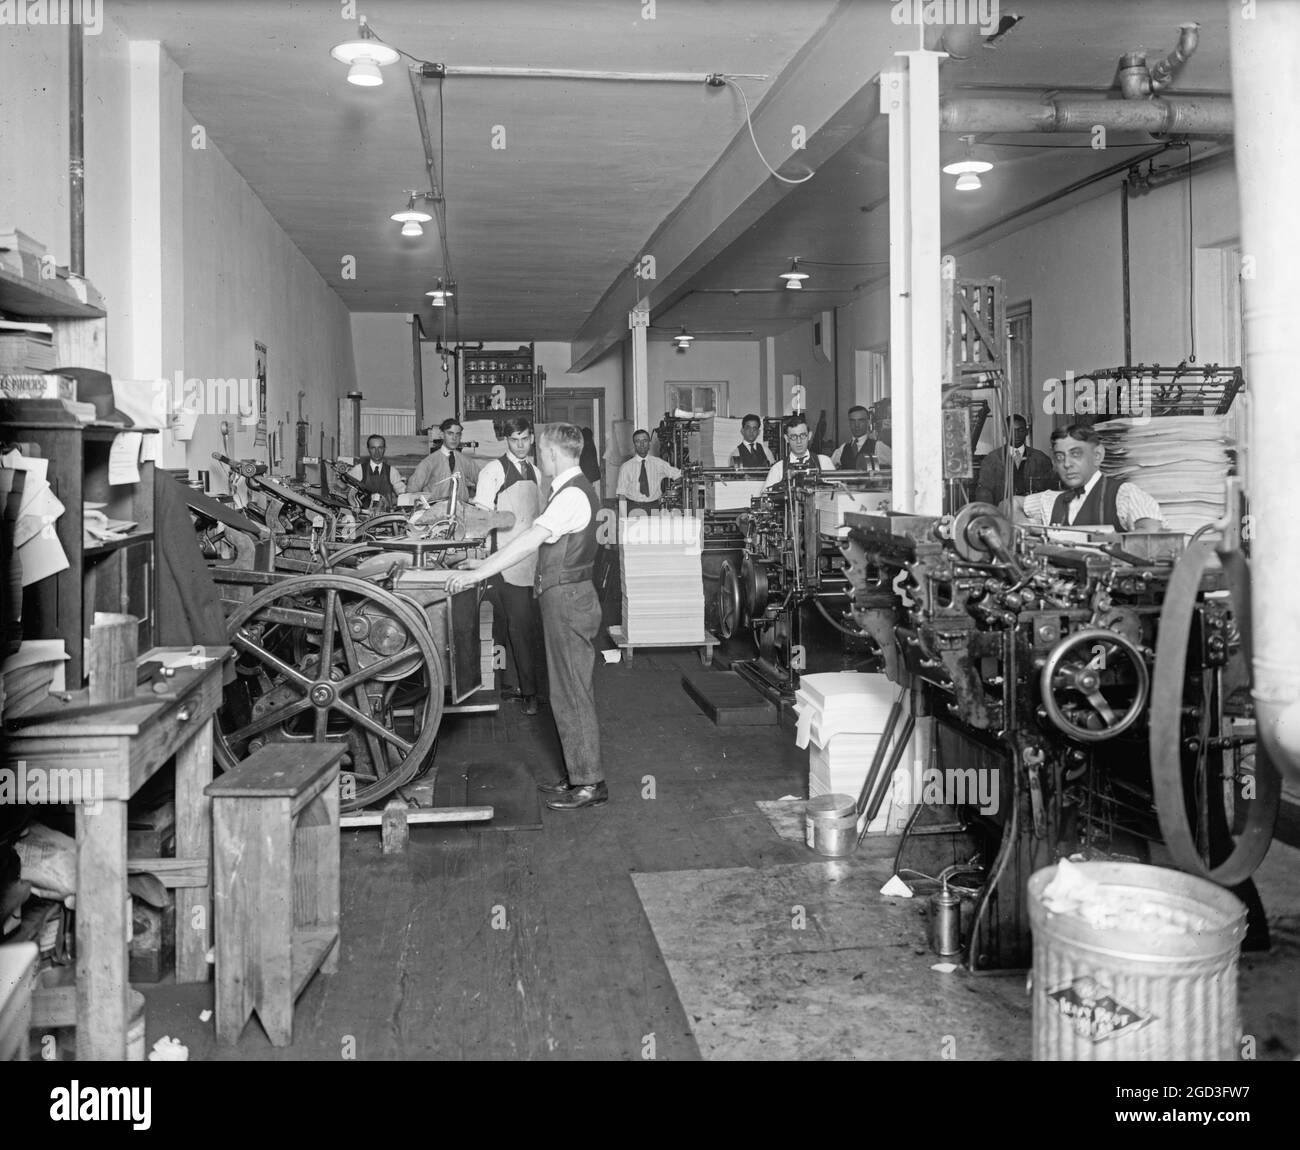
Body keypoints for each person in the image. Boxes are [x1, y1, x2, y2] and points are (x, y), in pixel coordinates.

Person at [446, 423, 606, 810]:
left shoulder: (571, 495)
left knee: (571, 691)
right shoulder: (570, 489)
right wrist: (482, 561)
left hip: (568, 599)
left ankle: (590, 783)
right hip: (563, 596)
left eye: (541, 451)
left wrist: (477, 572)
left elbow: (528, 540)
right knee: (565, 690)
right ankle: (577, 775)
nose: (538, 456)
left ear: (552, 453)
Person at [473, 418, 545, 716]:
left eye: (525, 439)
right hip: (504, 558)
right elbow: (481, 518)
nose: (520, 445)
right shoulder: (493, 471)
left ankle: (514, 684)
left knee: (524, 625)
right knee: (515, 624)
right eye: (514, 439)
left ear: (532, 439)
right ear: (507, 440)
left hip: (532, 558)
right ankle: (527, 692)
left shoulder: (537, 472)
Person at [1015, 423, 1164, 532]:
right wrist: (1026, 529)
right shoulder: (1052, 501)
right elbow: (1009, 504)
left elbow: (1151, 534)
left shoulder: (1124, 494)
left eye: (1076, 454)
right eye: (1060, 457)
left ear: (1097, 456)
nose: (1067, 464)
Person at [974, 414, 1055, 506]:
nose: (1016, 435)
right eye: (1012, 431)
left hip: (1033, 516)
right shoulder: (992, 460)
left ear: (1027, 432)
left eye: (1020, 430)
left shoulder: (1041, 459)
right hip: (1002, 515)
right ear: (1005, 432)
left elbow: (1050, 492)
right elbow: (984, 494)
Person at [408, 417, 483, 497]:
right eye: (450, 433)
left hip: (460, 507)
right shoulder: (428, 462)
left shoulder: (466, 461)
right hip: (436, 508)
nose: (454, 438)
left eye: (457, 434)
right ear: (441, 435)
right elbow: (411, 491)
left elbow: (483, 480)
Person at [616, 428, 680, 512]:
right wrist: (623, 519)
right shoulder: (626, 467)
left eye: (645, 440)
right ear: (634, 444)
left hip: (654, 507)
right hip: (633, 508)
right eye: (638, 441)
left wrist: (673, 490)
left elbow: (678, 475)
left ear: (649, 443)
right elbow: (621, 494)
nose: (642, 444)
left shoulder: (658, 463)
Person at [764, 414, 835, 488]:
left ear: (809, 435)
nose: (799, 441)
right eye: (794, 436)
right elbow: (765, 495)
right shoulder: (777, 469)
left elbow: (837, 493)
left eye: (803, 435)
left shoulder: (824, 462)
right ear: (786, 438)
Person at [347, 434, 406, 509]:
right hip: (363, 517)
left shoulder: (392, 472)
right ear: (368, 449)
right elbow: (345, 491)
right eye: (373, 448)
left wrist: (392, 501)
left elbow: (403, 494)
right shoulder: (358, 470)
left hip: (385, 516)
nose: (377, 452)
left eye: (380, 448)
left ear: (384, 449)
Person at [830, 405, 877, 470]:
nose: (856, 425)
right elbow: (828, 469)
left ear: (868, 422)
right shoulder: (842, 448)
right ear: (849, 423)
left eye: (861, 420)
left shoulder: (877, 447)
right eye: (852, 421)